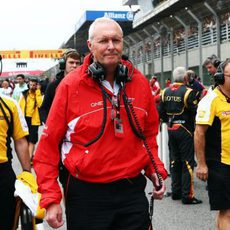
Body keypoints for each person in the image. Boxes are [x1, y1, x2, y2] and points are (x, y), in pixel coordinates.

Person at [33, 17, 168, 230]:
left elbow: (148, 134)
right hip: (86, 193)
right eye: (104, 41)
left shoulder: (139, 82)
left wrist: (155, 169)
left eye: (116, 40)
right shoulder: (70, 85)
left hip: (131, 191)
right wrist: (50, 198)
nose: (111, 46)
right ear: (90, 46)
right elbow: (48, 146)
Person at [158, 66, 202, 205]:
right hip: (185, 130)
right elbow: (196, 112)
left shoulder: (165, 92)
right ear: (185, 78)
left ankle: (175, 192)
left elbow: (161, 113)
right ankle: (187, 196)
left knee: (174, 161)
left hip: (171, 130)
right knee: (188, 162)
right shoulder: (189, 92)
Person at [194, 59, 230, 229]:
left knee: (225, 212)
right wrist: (201, 164)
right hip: (220, 163)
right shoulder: (211, 100)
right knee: (227, 212)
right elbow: (199, 132)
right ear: (221, 77)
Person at [0, 94, 31, 230]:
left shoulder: (9, 103)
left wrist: (27, 174)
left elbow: (20, 140)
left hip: (2, 173)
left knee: (6, 221)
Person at [40, 48, 81, 123]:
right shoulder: (53, 86)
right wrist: (50, 125)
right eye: (71, 62)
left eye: (77, 63)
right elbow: (43, 109)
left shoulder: (85, 84)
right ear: (63, 64)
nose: (75, 66)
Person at [19, 78, 43, 162]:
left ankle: (28, 160)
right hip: (25, 120)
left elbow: (40, 105)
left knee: (32, 140)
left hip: (34, 120)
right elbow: (20, 106)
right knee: (26, 139)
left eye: (34, 85)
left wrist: (38, 92)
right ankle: (29, 156)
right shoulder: (24, 94)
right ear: (28, 84)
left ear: (37, 86)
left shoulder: (38, 94)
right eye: (31, 85)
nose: (32, 86)